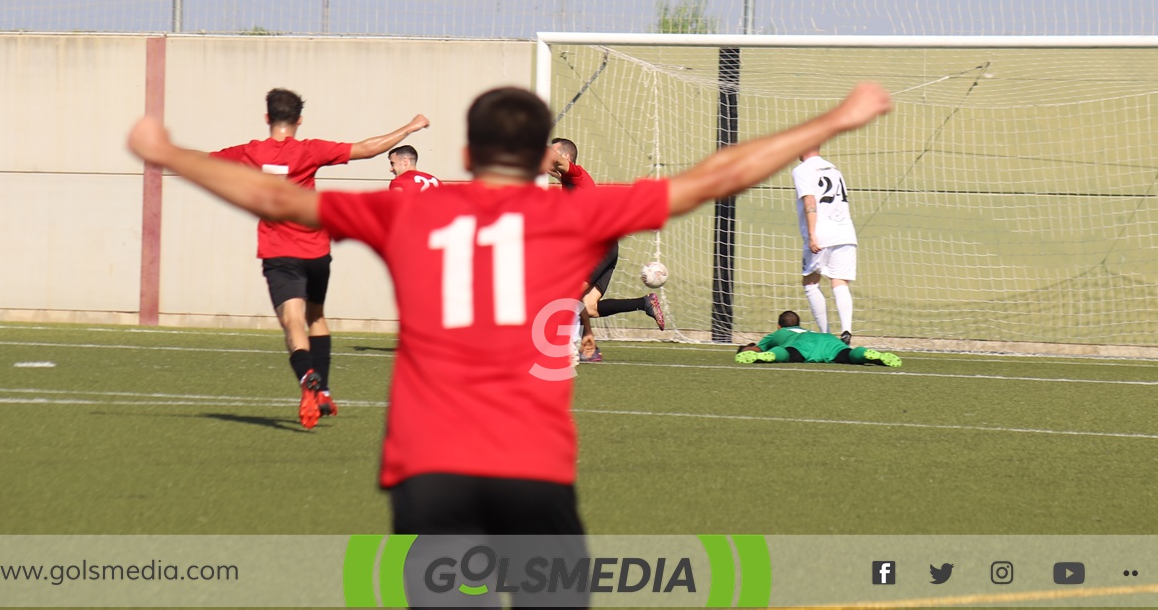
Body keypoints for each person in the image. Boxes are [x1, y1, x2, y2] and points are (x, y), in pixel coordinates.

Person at [127, 82, 890, 548]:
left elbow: (275, 196)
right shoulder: (570, 214)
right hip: (532, 468)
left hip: (427, 474)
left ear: (462, 148)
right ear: (539, 161)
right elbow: (711, 177)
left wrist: (169, 151)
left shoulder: (415, 215)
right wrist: (838, 118)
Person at [211, 88, 429, 429]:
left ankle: (307, 376)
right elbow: (367, 148)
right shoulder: (310, 150)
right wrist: (409, 128)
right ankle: (323, 390)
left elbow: (199, 162)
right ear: (299, 120)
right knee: (316, 317)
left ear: (267, 117)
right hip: (315, 248)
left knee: (292, 321)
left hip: (278, 250)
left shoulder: (250, 153)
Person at [547, 137, 664, 363]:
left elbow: (551, 161)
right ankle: (644, 303)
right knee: (588, 307)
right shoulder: (568, 181)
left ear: (566, 158)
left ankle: (568, 351)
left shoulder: (577, 173)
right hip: (605, 247)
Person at [792, 144, 858, 345]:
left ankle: (826, 334)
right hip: (845, 232)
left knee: (811, 283)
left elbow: (810, 201)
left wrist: (812, 234)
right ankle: (846, 330)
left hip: (821, 231)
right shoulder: (834, 168)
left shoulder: (802, 170)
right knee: (839, 282)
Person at [735, 310, 901, 367]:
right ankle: (867, 354)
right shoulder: (806, 329)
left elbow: (755, 348)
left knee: (787, 353)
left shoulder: (777, 334)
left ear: (780, 326)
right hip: (827, 339)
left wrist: (744, 350)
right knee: (847, 355)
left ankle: (769, 357)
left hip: (803, 344)